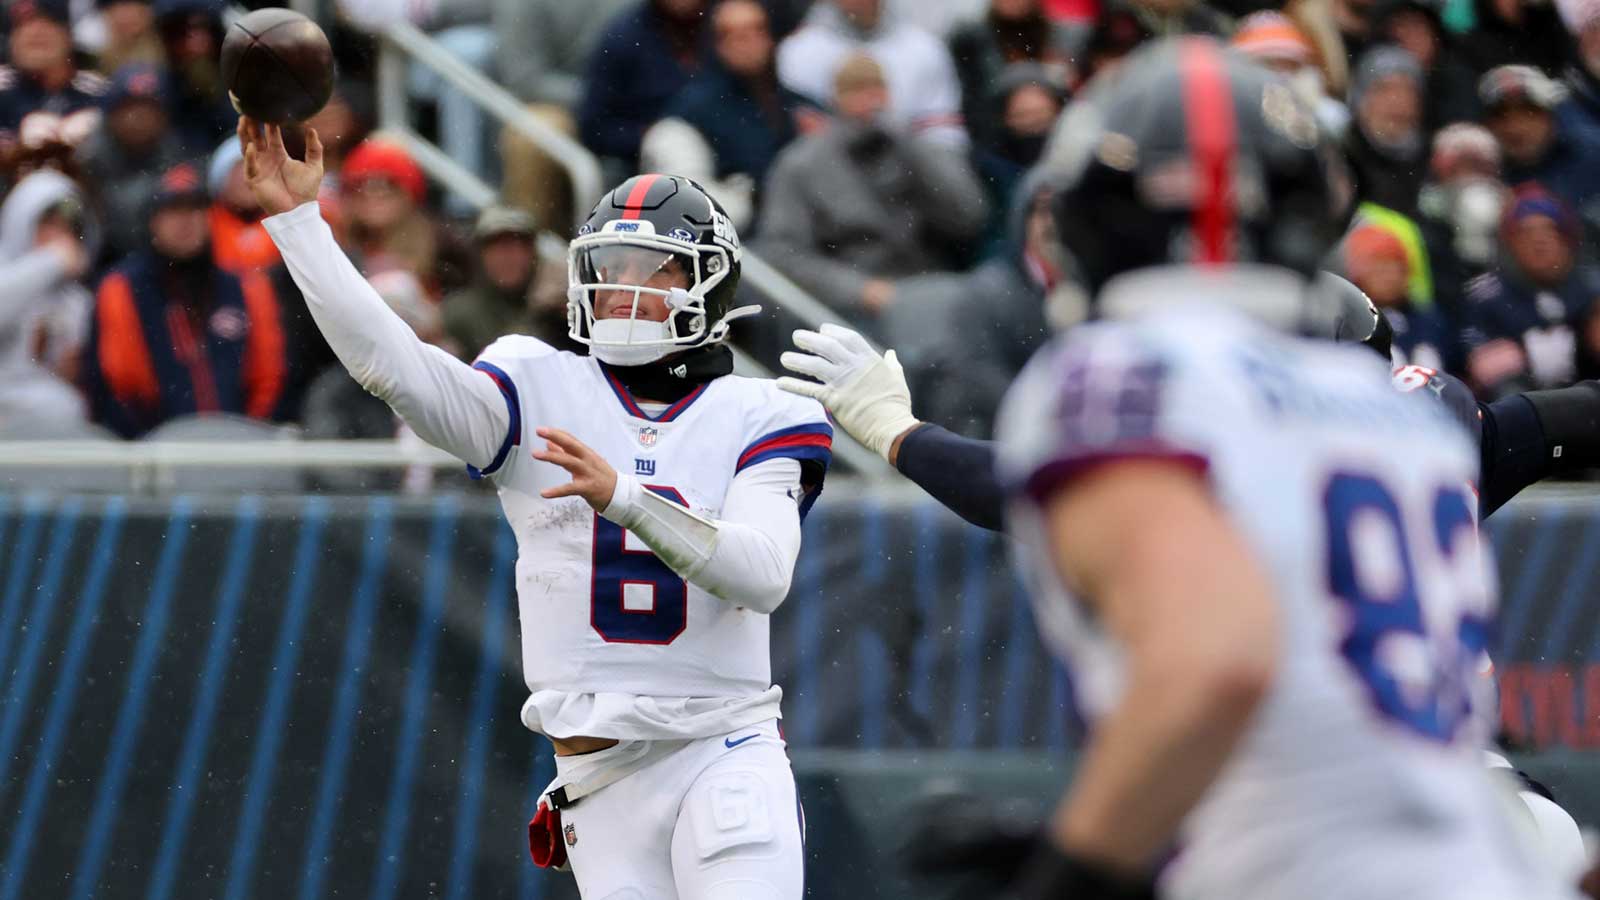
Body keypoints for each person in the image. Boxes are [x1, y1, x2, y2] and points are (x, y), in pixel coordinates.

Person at [808, 38, 1582, 900]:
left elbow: (1216, 660)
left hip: (1287, 857)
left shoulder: (1133, 376)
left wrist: (1073, 866)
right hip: (1482, 845)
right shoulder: (1404, 415)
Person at [242, 111, 826, 896]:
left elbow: (760, 574)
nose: (625, 289)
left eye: (655, 271)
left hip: (722, 751)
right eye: (612, 264)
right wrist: (298, 224)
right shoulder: (537, 378)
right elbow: (393, 366)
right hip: (596, 778)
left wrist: (624, 497)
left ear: (708, 286)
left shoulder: (764, 414)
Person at [757, 53, 988, 327]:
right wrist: (859, 290)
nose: (870, 101)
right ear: (835, 100)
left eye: (877, 90)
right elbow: (782, 252)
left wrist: (910, 146)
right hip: (848, 304)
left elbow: (970, 215)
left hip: (927, 284)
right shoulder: (800, 164)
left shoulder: (912, 146)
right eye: (856, 91)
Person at [84, 162, 287, 437]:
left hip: (239, 449)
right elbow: (119, 382)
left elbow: (270, 377)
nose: (186, 221)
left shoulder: (246, 286)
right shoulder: (122, 288)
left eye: (195, 209)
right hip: (152, 452)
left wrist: (243, 435)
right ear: (152, 221)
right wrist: (156, 443)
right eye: (172, 211)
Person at [640, 0, 809, 233]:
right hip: (742, 237)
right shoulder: (693, 109)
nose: (748, 44)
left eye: (756, 30)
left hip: (803, 225)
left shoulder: (795, 103)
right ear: (716, 43)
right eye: (734, 35)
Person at [1460, 186, 1600, 397]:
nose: (1539, 243)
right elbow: (1471, 357)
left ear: (1567, 241)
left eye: (1549, 232)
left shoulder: (1591, 289)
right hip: (1520, 405)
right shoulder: (1487, 297)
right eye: (1527, 233)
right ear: (1510, 244)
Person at [777, 0, 969, 146]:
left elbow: (944, 132)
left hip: (912, 173)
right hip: (831, 175)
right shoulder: (798, 50)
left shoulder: (924, 46)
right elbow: (805, 136)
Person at [0, 168, 92, 427]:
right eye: (48, 222)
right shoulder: (6, 268)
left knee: (66, 406)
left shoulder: (76, 299)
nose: (58, 235)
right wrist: (50, 261)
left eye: (69, 226)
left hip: (41, 409)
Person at [578, 0, 711, 172]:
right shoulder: (624, 37)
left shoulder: (735, 21)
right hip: (655, 165)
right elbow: (594, 128)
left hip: (735, 158)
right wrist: (645, 135)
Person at [74, 62, 182, 263]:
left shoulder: (177, 156)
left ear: (164, 116)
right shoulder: (86, 160)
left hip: (166, 267)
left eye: (149, 108)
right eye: (130, 107)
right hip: (101, 266)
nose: (139, 118)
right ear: (111, 114)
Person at [1480, 65, 1600, 233]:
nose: (1515, 126)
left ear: (1552, 115)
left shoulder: (1593, 156)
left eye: (1530, 111)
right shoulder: (1478, 171)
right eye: (1500, 114)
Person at [441, 205, 563, 360]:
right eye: (498, 248)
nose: (507, 258)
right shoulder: (457, 313)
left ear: (533, 254)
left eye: (517, 247)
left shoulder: (557, 309)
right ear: (481, 255)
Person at [0, 0, 108, 153]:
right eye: (23, 24)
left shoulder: (97, 94)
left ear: (68, 36)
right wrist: (19, 148)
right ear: (11, 40)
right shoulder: (3, 92)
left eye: (49, 23)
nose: (36, 32)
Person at [1345, 44, 1428, 216]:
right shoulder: (1342, 158)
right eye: (1384, 89)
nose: (1398, 101)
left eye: (1408, 91)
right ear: (1360, 100)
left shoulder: (1432, 162)